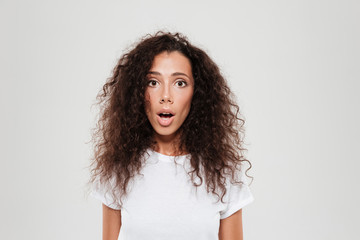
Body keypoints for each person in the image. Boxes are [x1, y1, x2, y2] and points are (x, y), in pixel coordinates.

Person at [90, 31, 254, 240]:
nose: (165, 96)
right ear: (137, 92)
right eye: (153, 82)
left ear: (198, 93)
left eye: (180, 83)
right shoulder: (120, 168)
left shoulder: (223, 171)